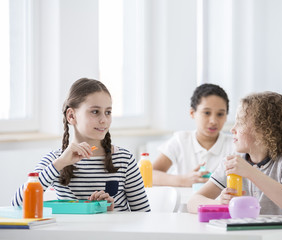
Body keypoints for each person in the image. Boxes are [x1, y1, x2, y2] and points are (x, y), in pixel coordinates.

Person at [12, 78, 150, 212]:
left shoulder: (123, 159)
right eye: (95, 112)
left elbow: (144, 216)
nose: (104, 120)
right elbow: (17, 205)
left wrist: (108, 212)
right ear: (71, 116)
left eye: (108, 112)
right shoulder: (56, 160)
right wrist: (59, 164)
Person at [187, 91, 282, 217]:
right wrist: (219, 203)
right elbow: (192, 202)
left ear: (264, 129)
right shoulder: (233, 163)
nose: (232, 129)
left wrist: (250, 172)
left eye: (240, 122)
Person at [152, 83, 235, 187]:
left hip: (218, 203)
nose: (213, 121)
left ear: (226, 116)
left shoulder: (234, 145)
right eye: (207, 113)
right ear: (192, 113)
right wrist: (182, 180)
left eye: (220, 114)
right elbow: (149, 175)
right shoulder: (181, 140)